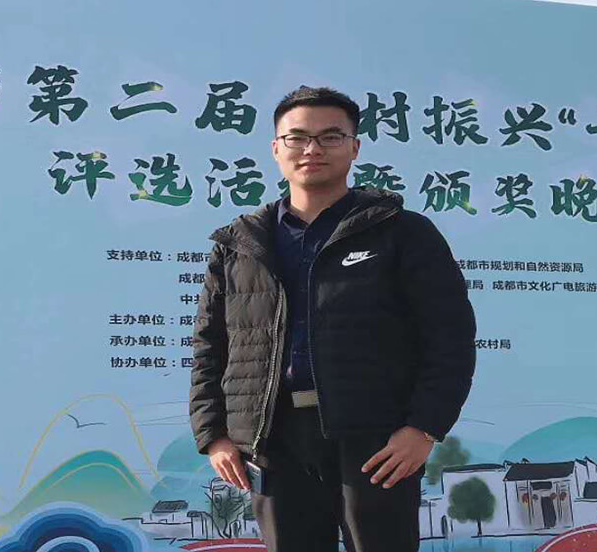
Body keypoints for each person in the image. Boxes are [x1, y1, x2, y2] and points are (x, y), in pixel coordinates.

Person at [188, 85, 477, 551]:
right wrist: (214, 436)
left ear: (354, 147)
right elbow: (210, 346)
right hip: (273, 438)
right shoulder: (240, 244)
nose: (312, 149)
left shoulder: (401, 232)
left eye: (330, 137)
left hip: (376, 439)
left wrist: (424, 427)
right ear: (276, 148)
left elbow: (450, 337)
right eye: (298, 137)